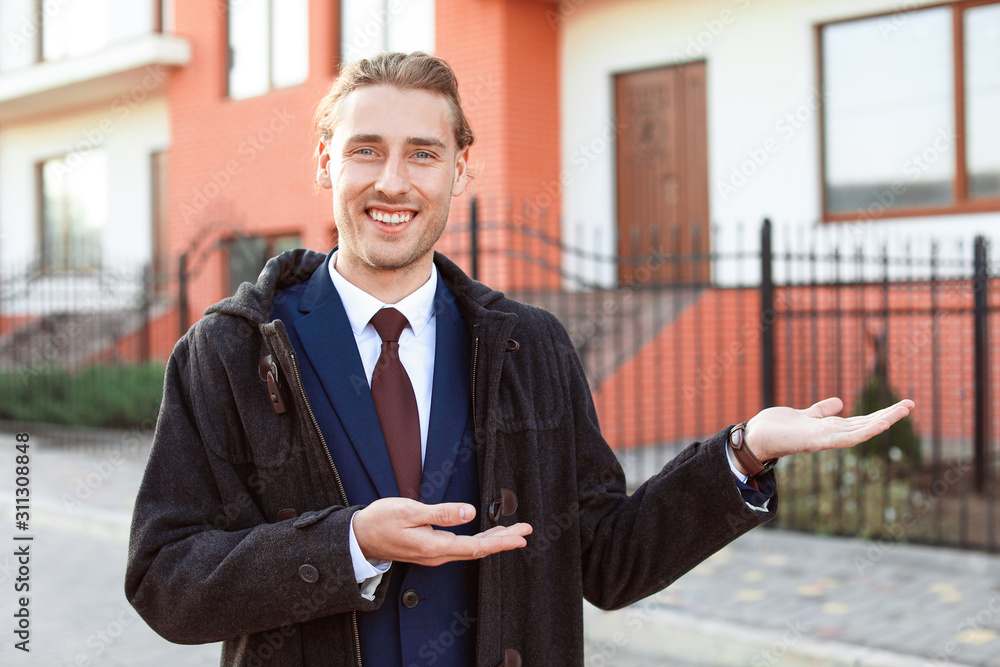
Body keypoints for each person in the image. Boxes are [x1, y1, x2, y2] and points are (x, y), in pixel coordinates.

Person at [125, 52, 913, 667]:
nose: (392, 182)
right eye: (366, 151)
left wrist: (743, 453)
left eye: (423, 154)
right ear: (325, 162)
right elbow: (166, 578)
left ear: (460, 169)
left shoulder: (529, 348)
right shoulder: (228, 350)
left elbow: (606, 557)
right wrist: (350, 543)